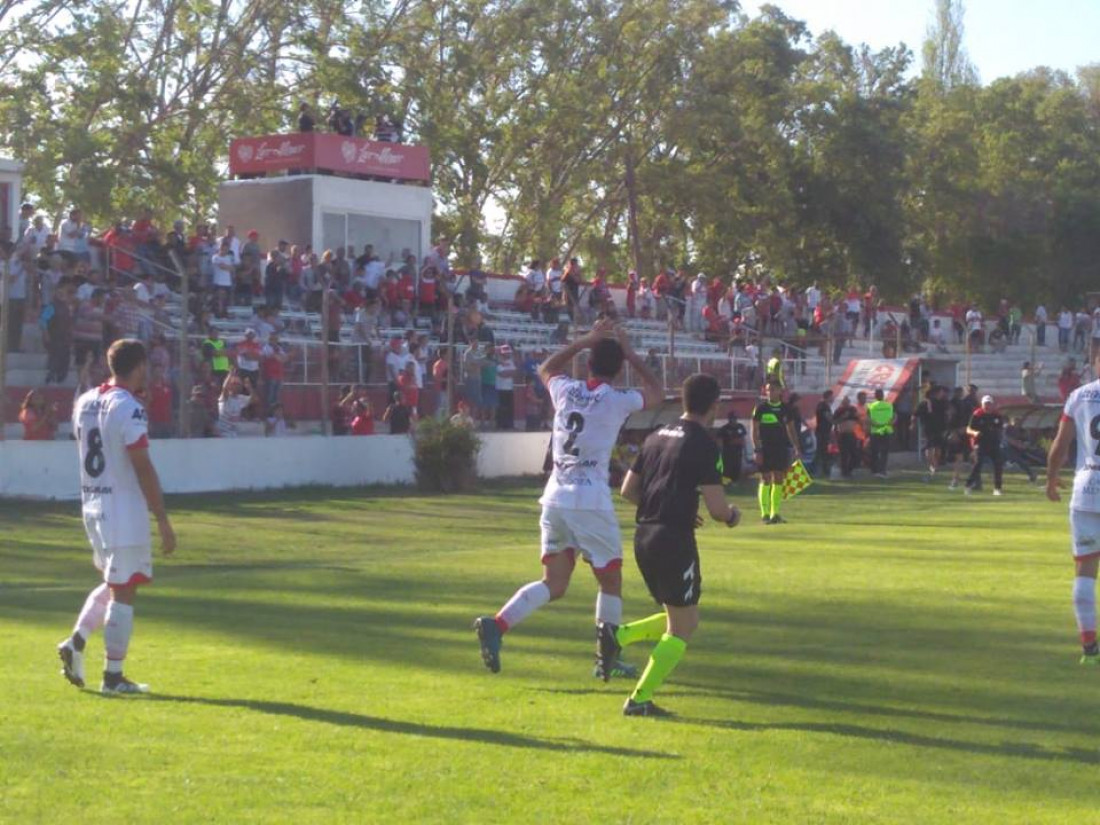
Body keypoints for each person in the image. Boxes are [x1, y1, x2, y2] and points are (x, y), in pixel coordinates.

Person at [473, 319, 662, 680]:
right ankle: (606, 658)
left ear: (588, 363)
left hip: (555, 497)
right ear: (618, 367)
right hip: (589, 500)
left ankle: (497, 625)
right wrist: (631, 353)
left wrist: (583, 341)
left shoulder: (565, 389)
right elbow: (656, 392)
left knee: (554, 584)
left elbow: (546, 368)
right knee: (610, 581)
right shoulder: (617, 400)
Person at [615, 374, 741, 716]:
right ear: (713, 405)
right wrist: (732, 516)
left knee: (684, 616)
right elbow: (717, 510)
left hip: (644, 535)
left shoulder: (656, 436)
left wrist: (666, 508)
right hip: (673, 539)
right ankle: (640, 699)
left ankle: (618, 638)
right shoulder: (702, 443)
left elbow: (628, 491)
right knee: (682, 626)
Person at [57, 339, 176, 695]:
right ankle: (113, 678)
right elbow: (142, 466)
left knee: (116, 582)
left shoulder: (85, 400)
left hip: (93, 504)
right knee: (124, 591)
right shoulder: (128, 407)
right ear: (139, 366)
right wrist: (163, 518)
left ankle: (76, 643)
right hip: (123, 510)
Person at [1046, 344, 1100, 663]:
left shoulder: (1079, 396)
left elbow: (1060, 444)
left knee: (1084, 571)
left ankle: (1089, 649)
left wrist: (1051, 479)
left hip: (1087, 490)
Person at [752, 380, 800, 524]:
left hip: (780, 448)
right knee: (765, 478)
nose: (770, 392)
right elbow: (754, 430)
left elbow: (791, 429)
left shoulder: (786, 409)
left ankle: (775, 514)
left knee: (778, 478)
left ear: (780, 391)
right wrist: (757, 449)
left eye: (773, 389)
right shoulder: (760, 408)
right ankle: (764, 514)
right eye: (768, 390)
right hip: (765, 449)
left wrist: (796, 447)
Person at [965, 395, 1005, 496]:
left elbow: (1000, 428)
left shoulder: (997, 415)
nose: (987, 406)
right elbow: (968, 429)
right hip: (980, 442)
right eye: (985, 404)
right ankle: (968, 485)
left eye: (989, 404)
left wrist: (1000, 438)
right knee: (978, 463)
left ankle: (997, 488)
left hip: (994, 443)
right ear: (982, 404)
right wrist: (975, 433)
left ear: (992, 405)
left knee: (998, 464)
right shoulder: (977, 414)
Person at [867, 389, 896, 479]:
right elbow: (895, 416)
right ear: (883, 395)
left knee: (875, 451)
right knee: (884, 451)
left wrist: (875, 424)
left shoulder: (871, 406)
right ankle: (882, 470)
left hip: (876, 431)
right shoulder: (889, 405)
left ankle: (875, 471)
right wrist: (891, 422)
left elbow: (868, 418)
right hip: (886, 430)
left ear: (875, 396)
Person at [715, 410, 747, 484]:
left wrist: (744, 450)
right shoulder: (724, 429)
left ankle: (735, 482)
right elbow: (720, 441)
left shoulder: (740, 427)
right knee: (728, 467)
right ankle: (727, 481)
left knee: (737, 467)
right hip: (728, 452)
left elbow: (743, 439)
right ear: (729, 419)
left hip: (738, 452)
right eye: (732, 418)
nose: (734, 420)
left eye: (735, 418)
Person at [813, 390, 834, 478]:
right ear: (828, 396)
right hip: (822, 432)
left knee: (823, 450)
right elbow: (828, 417)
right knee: (821, 451)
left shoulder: (825, 405)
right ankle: (816, 470)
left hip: (824, 431)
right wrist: (837, 420)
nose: (833, 398)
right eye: (832, 396)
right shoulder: (823, 405)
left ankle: (823, 469)